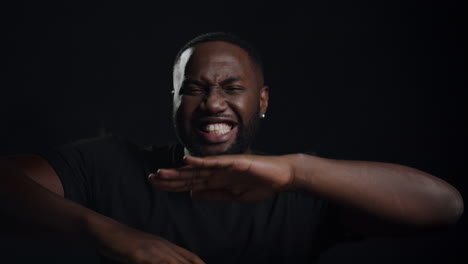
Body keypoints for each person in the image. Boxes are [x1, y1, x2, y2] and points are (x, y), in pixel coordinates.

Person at [0, 32, 464, 264]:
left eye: (231, 87)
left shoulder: (301, 192)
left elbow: (444, 206)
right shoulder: (108, 163)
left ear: (261, 101)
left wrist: (297, 171)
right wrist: (106, 232)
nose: (213, 103)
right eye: (195, 89)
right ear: (176, 101)